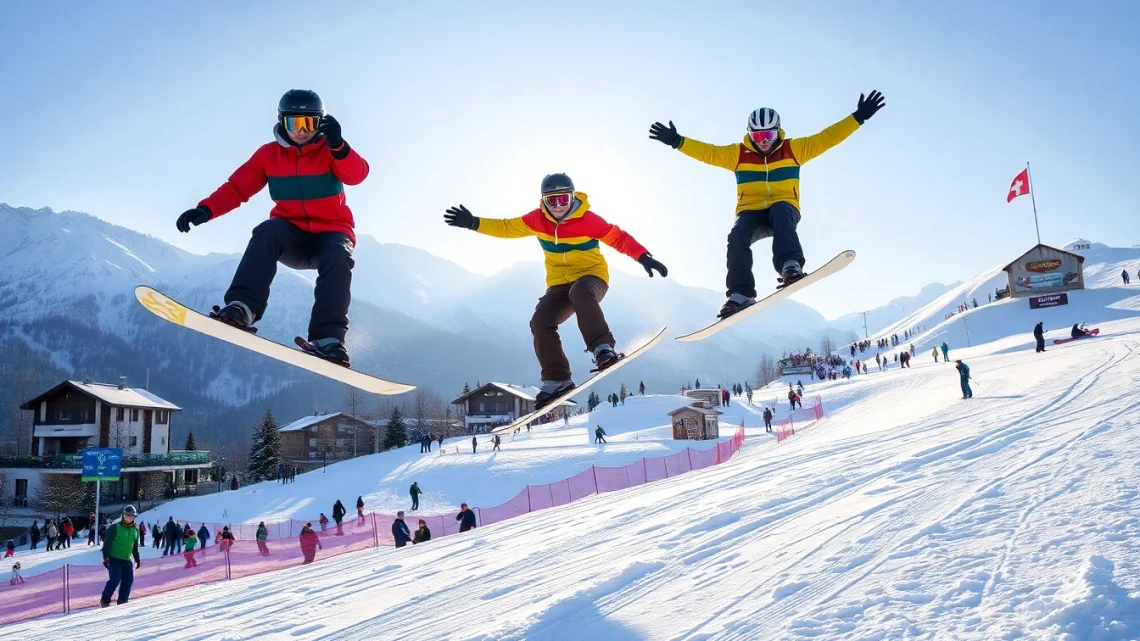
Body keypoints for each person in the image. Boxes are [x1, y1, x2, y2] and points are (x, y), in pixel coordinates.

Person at [649, 91, 885, 317]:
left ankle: (790, 266)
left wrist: (858, 117)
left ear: (778, 132)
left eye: (769, 136)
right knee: (737, 234)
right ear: (749, 134)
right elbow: (708, 152)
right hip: (750, 211)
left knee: (781, 211)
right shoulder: (737, 154)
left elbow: (827, 137)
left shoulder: (795, 149)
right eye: (758, 136)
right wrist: (677, 141)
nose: (763, 142)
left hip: (784, 207)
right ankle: (740, 294)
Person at [176, 89, 368, 366]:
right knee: (267, 230)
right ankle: (242, 308)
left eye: (309, 124)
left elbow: (358, 175)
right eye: (294, 123)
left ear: (320, 124)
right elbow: (237, 187)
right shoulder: (269, 155)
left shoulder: (330, 151)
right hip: (291, 237)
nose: (301, 131)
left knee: (339, 253)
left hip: (331, 235)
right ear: (281, 122)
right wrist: (206, 209)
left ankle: (328, 339)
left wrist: (340, 147)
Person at [444, 173, 667, 409]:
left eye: (564, 199)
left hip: (592, 277)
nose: (559, 206)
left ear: (572, 197)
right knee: (540, 321)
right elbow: (507, 227)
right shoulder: (537, 220)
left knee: (580, 293)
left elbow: (619, 238)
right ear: (544, 202)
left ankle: (602, 348)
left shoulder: (589, 220)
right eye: (553, 201)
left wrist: (643, 257)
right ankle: (557, 379)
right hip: (559, 284)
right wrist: (473, 223)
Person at [100, 505, 141, 607]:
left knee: (128, 580)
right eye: (127, 516)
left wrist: (137, 558)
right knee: (115, 580)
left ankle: (122, 601)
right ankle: (105, 600)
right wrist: (106, 557)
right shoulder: (114, 528)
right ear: (123, 515)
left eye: (132, 516)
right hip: (114, 558)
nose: (129, 518)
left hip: (126, 559)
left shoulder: (135, 530)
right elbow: (107, 544)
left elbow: (134, 546)